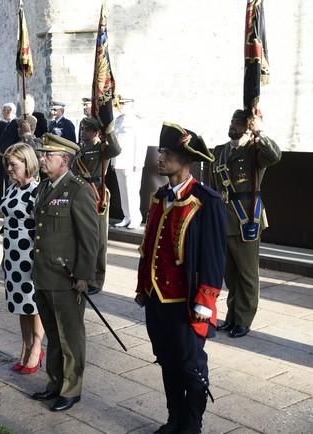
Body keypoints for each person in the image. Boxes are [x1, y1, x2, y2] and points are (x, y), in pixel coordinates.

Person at [135, 122, 226, 434]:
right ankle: (175, 418)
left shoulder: (207, 200)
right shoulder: (160, 196)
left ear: (186, 160)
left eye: (168, 153)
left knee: (191, 366)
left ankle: (192, 424)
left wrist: (205, 302)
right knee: (166, 360)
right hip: (157, 297)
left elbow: (214, 257)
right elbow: (149, 246)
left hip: (186, 302)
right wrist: (142, 286)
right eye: (161, 151)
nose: (161, 158)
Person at [30, 133, 98, 412]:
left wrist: (84, 277)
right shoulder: (45, 187)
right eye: (43, 154)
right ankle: (55, 383)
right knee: (54, 336)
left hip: (67, 277)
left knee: (70, 337)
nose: (43, 159)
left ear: (65, 160)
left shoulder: (78, 189)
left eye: (48, 155)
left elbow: (90, 239)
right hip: (45, 274)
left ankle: (71, 388)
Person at [209, 110, 281, 338]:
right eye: (232, 121)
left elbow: (275, 156)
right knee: (231, 275)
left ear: (248, 127)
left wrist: (259, 131)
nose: (233, 126)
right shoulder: (220, 151)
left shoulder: (255, 151)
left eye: (238, 123)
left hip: (246, 219)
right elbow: (214, 187)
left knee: (247, 275)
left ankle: (244, 320)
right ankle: (232, 317)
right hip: (224, 220)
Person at [1, 143, 45, 374]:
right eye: (7, 164)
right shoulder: (12, 189)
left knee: (33, 305)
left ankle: (37, 347)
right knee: (20, 304)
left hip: (29, 255)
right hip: (12, 254)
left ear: (28, 164)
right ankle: (25, 345)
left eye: (14, 164)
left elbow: (42, 229)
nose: (9, 168)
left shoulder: (37, 191)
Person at [73, 116, 121, 295]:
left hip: (97, 194)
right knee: (82, 236)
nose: (83, 132)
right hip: (80, 194)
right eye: (82, 128)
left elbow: (116, 149)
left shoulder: (102, 149)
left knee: (98, 238)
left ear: (95, 132)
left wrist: (108, 131)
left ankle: (97, 279)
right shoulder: (80, 151)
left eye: (87, 129)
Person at [111, 96, 144, 229]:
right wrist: (113, 161)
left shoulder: (137, 121)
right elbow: (115, 142)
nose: (121, 106)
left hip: (131, 162)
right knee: (123, 191)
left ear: (131, 104)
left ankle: (136, 218)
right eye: (120, 103)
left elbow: (141, 143)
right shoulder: (118, 120)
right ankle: (127, 216)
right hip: (120, 160)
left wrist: (138, 162)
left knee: (132, 190)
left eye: (124, 103)